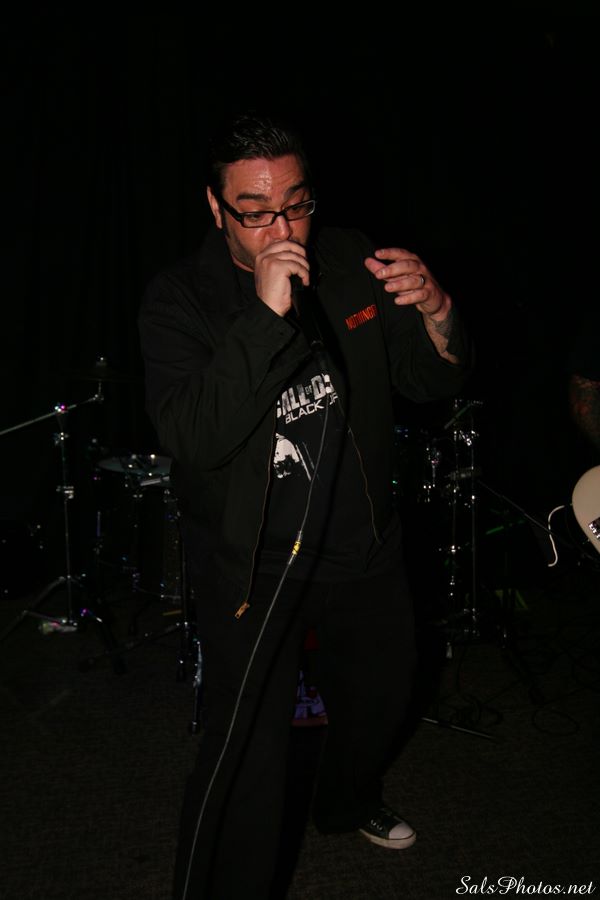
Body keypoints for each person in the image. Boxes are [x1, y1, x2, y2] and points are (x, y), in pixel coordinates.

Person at [138, 111, 472, 899]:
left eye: (295, 205)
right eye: (256, 212)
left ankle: (344, 802)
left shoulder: (350, 258)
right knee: (247, 756)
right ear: (216, 208)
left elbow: (430, 379)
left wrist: (438, 314)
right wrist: (263, 318)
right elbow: (194, 436)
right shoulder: (179, 298)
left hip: (362, 545)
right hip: (253, 564)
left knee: (385, 699)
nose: (282, 228)